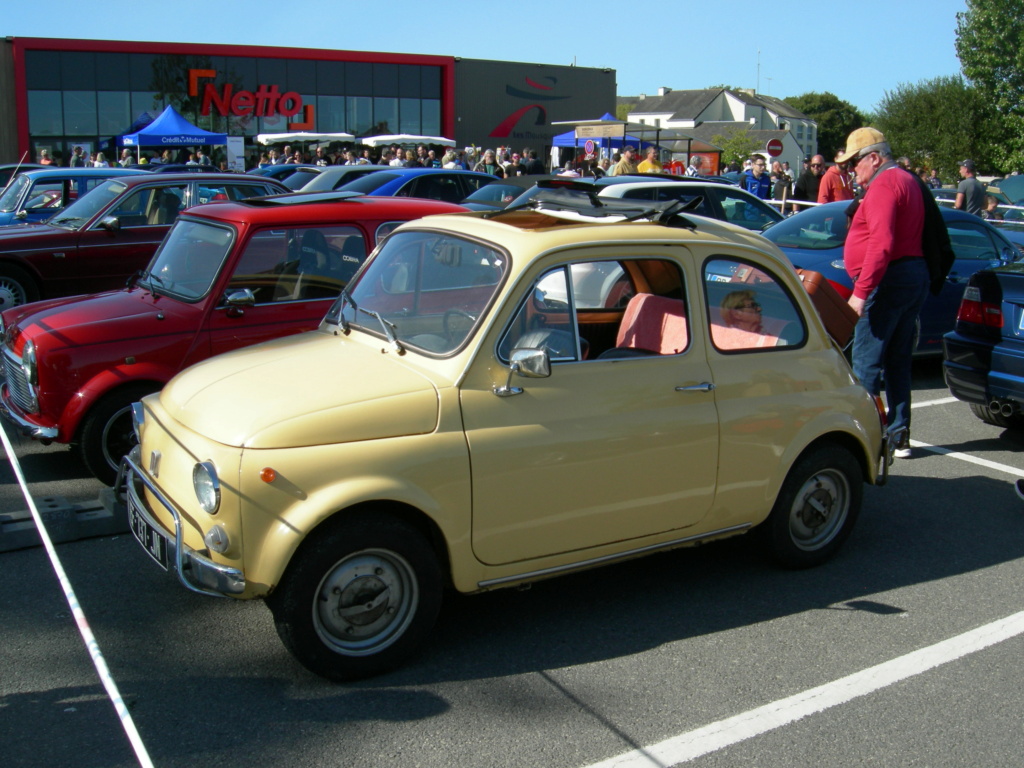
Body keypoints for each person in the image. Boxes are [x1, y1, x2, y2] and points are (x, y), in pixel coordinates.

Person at [836, 127, 930, 458]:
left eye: (855, 163)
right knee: (898, 360)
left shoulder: (885, 184)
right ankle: (899, 433)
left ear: (874, 158)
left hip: (887, 280)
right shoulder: (906, 179)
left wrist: (861, 293)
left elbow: (881, 241)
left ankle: (866, 442)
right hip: (910, 274)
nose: (852, 171)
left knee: (866, 364)